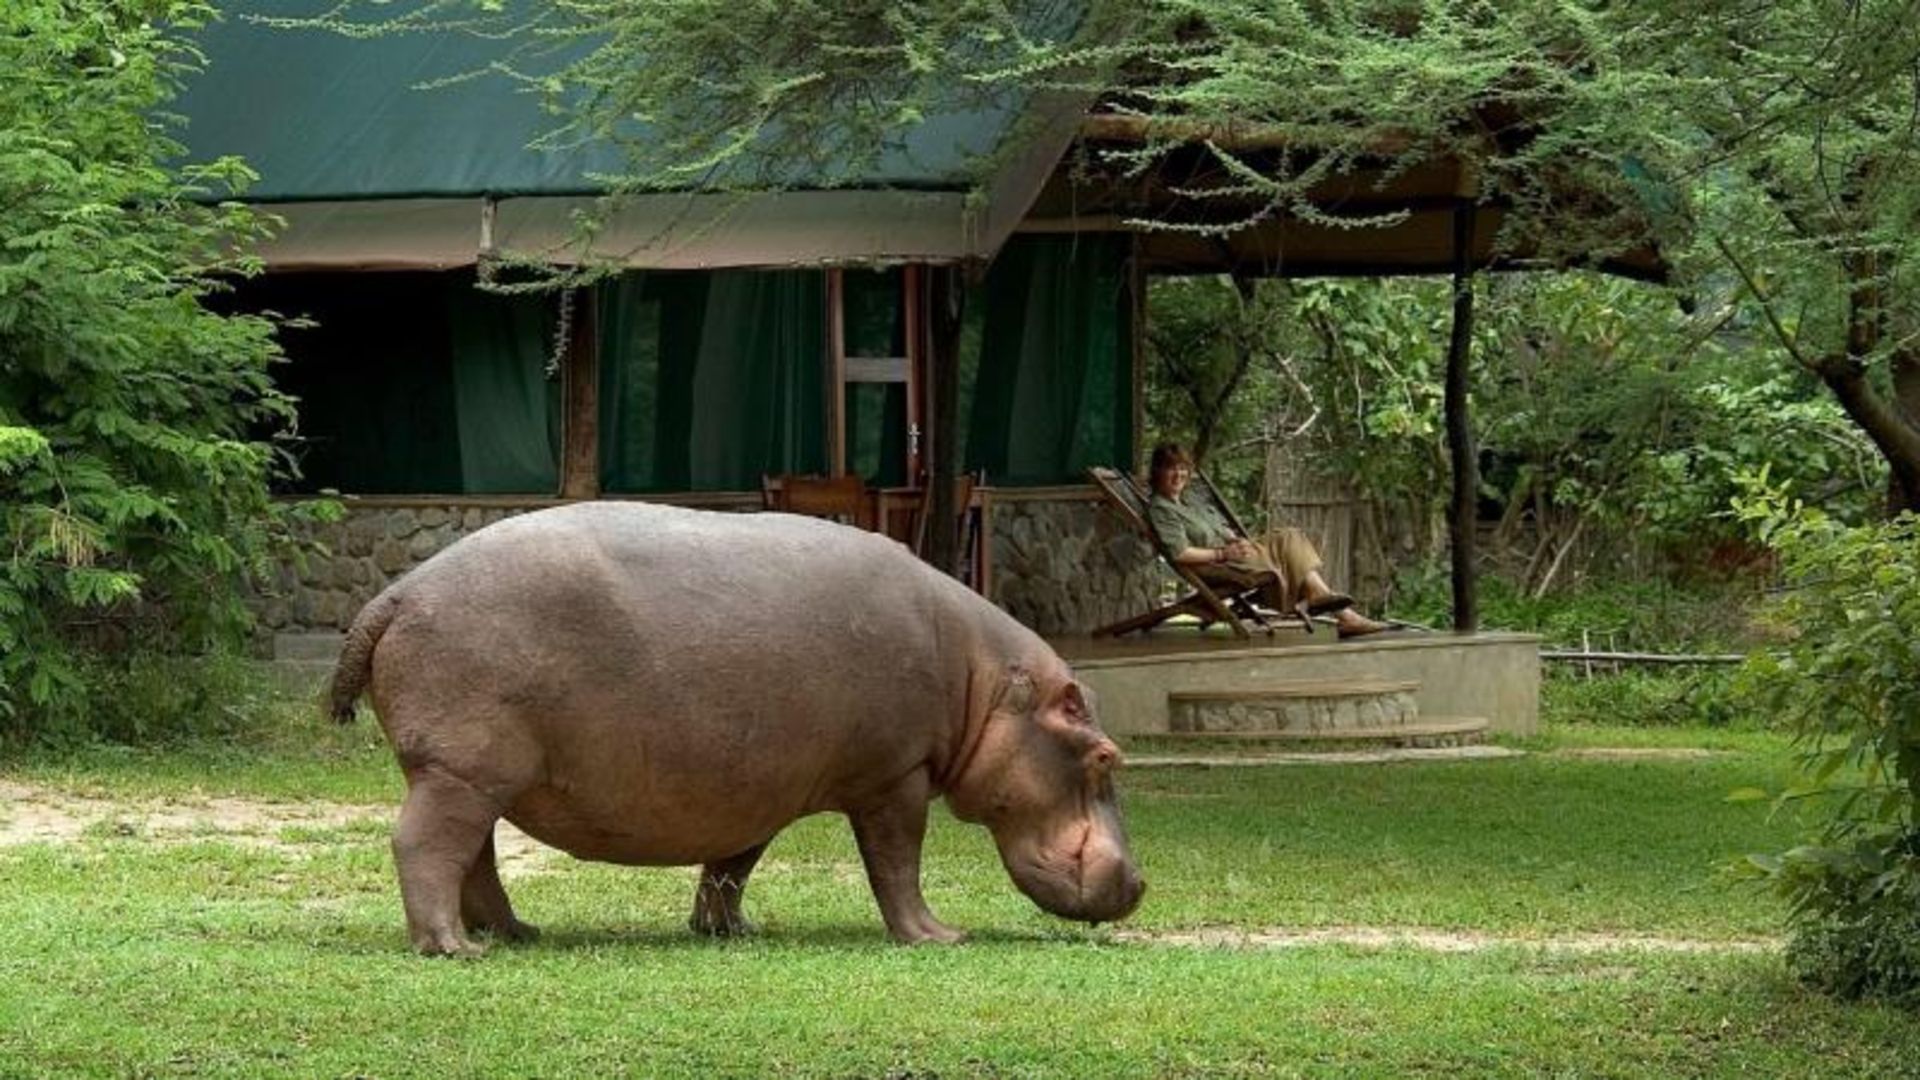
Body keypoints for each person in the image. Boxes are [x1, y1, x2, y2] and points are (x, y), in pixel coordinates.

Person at [1144, 443, 1388, 639]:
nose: (1179, 474)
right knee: (1289, 551)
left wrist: (1235, 539)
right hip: (1217, 565)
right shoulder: (1161, 509)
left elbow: (1220, 528)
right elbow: (1180, 553)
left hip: (1233, 554)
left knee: (1290, 536)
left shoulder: (1190, 500)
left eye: (1183, 468)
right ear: (1157, 472)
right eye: (1171, 468)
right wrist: (1222, 554)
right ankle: (1340, 612)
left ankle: (1326, 601)